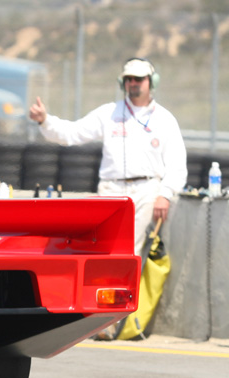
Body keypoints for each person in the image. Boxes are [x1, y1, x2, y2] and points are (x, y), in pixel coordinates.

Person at [30, 58, 187, 258]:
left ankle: (127, 290)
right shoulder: (108, 113)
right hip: (111, 189)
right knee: (106, 251)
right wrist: (45, 121)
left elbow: (177, 164)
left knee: (131, 253)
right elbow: (72, 133)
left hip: (146, 192)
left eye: (138, 78)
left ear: (151, 81)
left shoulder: (165, 119)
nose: (133, 83)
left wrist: (165, 194)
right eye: (129, 79)